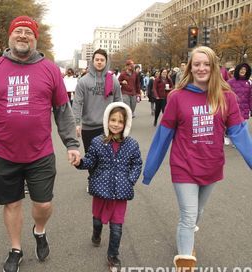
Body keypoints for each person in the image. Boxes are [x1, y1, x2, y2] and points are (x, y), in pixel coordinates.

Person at [0, 15, 81, 272]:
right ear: (10, 36)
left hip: (40, 152)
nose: (22, 36)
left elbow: (63, 110)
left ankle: (39, 230)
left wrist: (72, 144)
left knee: (43, 204)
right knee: (12, 203)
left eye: (28, 33)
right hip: (4, 153)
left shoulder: (50, 69)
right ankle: (16, 249)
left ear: (35, 39)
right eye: (18, 31)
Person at [142, 46, 252, 270]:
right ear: (190, 68)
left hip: (211, 166)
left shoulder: (226, 97)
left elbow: (239, 132)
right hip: (184, 166)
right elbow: (163, 136)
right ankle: (185, 260)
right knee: (188, 215)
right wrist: (149, 170)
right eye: (196, 64)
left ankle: (187, 240)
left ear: (213, 67)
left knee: (196, 214)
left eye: (206, 64)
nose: (201, 68)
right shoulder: (177, 97)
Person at [73, 102, 142, 272]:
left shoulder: (131, 144)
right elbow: (90, 161)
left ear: (126, 124)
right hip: (101, 190)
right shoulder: (97, 142)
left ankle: (113, 255)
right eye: (113, 120)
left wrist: (130, 180)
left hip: (120, 193)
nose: (116, 124)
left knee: (116, 227)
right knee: (97, 220)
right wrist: (79, 162)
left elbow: (137, 164)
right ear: (107, 120)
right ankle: (96, 234)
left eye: (120, 121)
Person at [72, 48, 122, 155]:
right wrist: (76, 123)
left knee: (109, 162)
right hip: (88, 128)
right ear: (93, 61)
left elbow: (119, 102)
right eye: (97, 59)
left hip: (109, 127)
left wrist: (121, 122)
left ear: (106, 62)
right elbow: (77, 103)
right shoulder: (83, 81)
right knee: (92, 163)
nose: (99, 62)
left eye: (102, 60)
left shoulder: (113, 80)